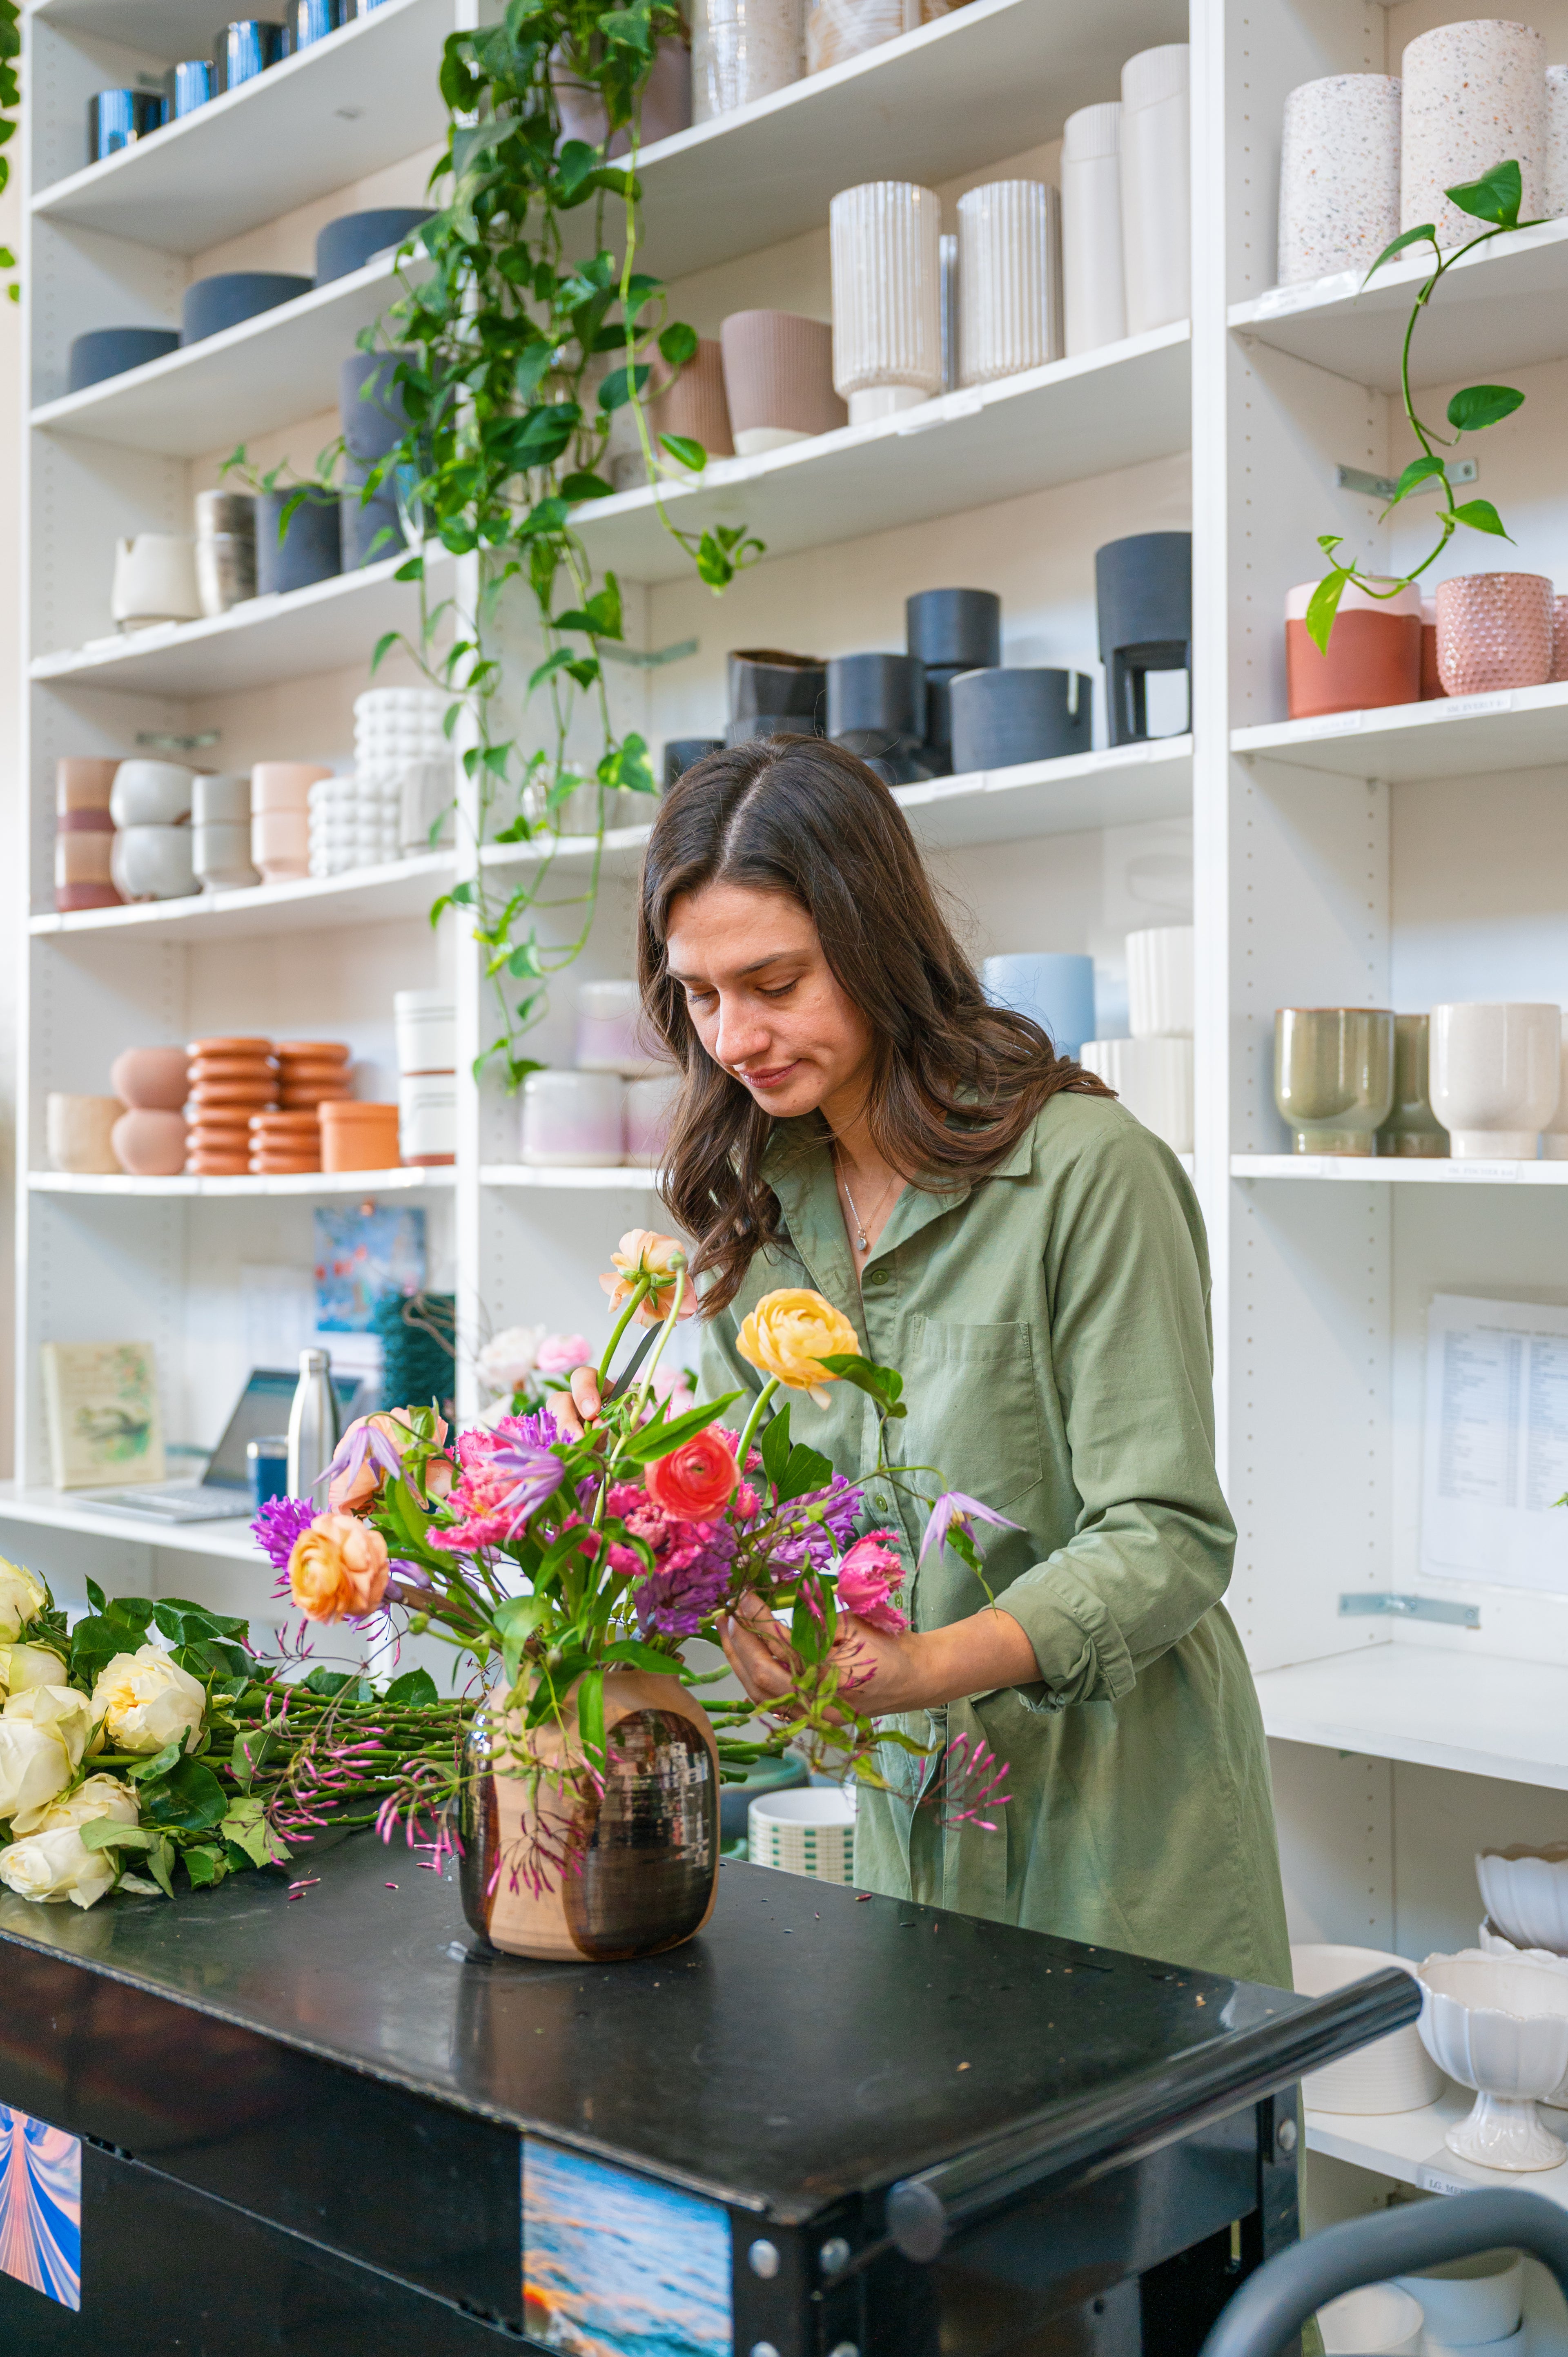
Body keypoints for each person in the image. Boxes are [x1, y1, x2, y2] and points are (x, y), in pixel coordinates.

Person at [569, 734, 1290, 1988]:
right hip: (914, 1820)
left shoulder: (1085, 1173)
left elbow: (1167, 1534)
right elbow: (775, 1525)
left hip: (1119, 1830)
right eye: (699, 994)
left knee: (1133, 2182)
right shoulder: (764, 1212)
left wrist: (921, 1669)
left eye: (775, 981)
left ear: (875, 941)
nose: (735, 1036)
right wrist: (627, 1484)